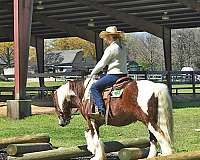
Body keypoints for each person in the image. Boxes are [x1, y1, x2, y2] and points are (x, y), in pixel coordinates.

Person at [89, 26, 128, 119]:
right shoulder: (122, 47)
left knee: (94, 87)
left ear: (110, 37)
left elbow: (102, 64)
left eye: (106, 37)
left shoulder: (111, 49)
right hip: (124, 75)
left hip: (113, 75)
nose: (106, 39)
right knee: (101, 79)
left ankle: (101, 110)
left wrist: (92, 73)